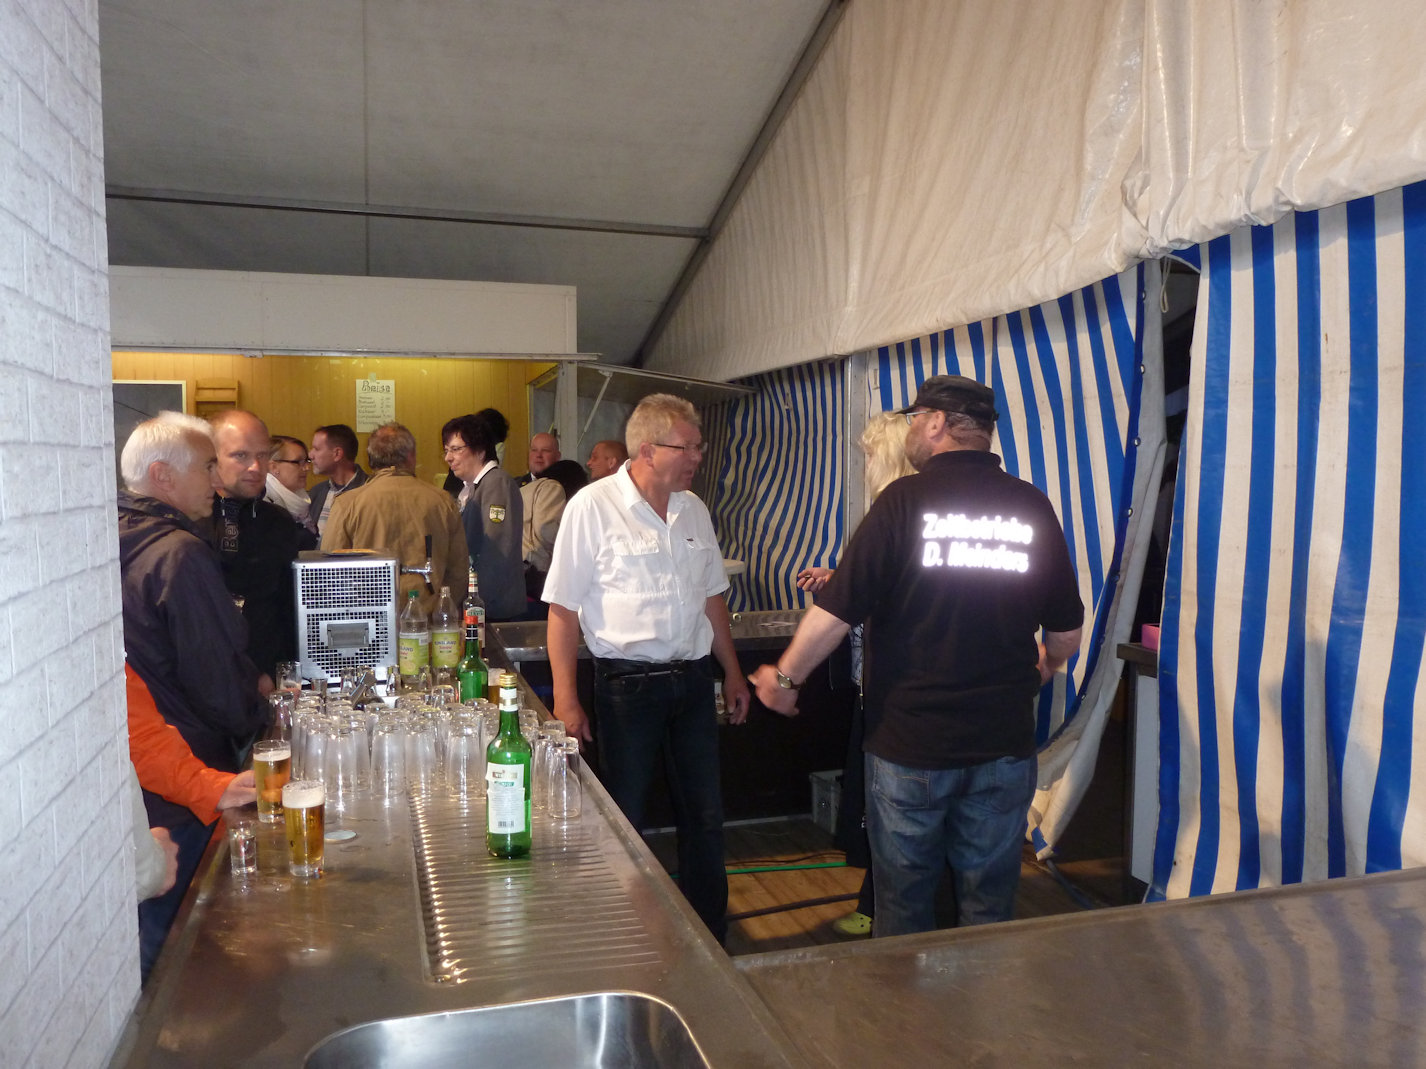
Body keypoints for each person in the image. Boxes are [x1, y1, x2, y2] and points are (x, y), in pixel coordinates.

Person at [750, 375, 1084, 937]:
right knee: (989, 903)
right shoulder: (1030, 505)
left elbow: (836, 612)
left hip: (912, 744)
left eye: (913, 419)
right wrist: (1048, 663)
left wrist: (785, 679)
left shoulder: (903, 502)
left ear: (936, 423)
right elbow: (1068, 629)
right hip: (1002, 743)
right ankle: (980, 990)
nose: (909, 431)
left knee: (904, 902)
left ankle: (907, 996)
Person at [543, 393, 750, 942]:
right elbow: (562, 610)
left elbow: (712, 598)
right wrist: (565, 699)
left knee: (705, 817)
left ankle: (710, 935)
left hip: (693, 681)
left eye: (699, 446)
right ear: (646, 449)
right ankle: (622, 933)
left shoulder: (693, 509)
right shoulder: (592, 507)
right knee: (625, 820)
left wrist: (731, 672)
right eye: (686, 447)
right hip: (627, 687)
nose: (697, 457)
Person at [118, 411, 269, 976]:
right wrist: (258, 721)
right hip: (186, 774)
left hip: (141, 781)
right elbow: (214, 675)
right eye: (207, 467)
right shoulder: (178, 552)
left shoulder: (106, 539)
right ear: (162, 475)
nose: (217, 480)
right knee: (183, 952)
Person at [794, 410, 915, 938]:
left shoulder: (893, 514)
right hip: (884, 688)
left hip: (889, 695)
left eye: (869, 455)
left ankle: (887, 913)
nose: (864, 465)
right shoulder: (904, 515)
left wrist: (785, 677)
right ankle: (883, 904)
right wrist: (840, 578)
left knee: (888, 810)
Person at [206, 410, 309, 685]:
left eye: (262, 455)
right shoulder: (193, 521)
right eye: (240, 455)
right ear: (211, 459)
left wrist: (281, 674)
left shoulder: (278, 522)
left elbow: (288, 609)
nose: (255, 466)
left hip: (269, 677)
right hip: (208, 681)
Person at [321, 421, 467, 613]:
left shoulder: (347, 504)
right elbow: (459, 571)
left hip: (369, 620)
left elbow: (328, 573)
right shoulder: (442, 501)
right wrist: (440, 610)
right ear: (411, 456)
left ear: (371, 458)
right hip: (428, 618)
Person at [442, 413, 526, 621]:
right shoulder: (473, 488)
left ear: (480, 451)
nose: (448, 458)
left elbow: (496, 551)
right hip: (482, 605)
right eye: (446, 450)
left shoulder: (496, 483)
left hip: (492, 608)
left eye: (456, 449)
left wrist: (474, 605)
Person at [307, 423, 367, 536]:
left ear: (337, 454)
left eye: (316, 449)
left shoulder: (370, 490)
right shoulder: (316, 492)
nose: (310, 455)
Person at [266, 434, 318, 536]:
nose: (307, 468)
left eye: (306, 461)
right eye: (298, 462)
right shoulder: (262, 505)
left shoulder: (302, 498)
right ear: (273, 467)